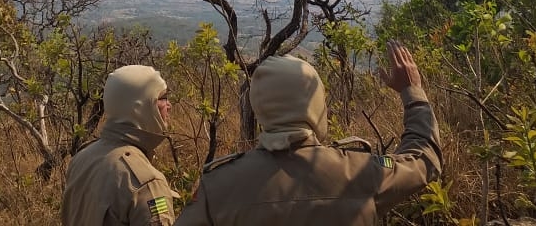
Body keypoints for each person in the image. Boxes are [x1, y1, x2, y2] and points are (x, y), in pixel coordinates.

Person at [175, 41, 442, 225]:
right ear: (316, 106)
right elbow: (424, 160)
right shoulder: (361, 173)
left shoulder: (218, 185)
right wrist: (413, 92)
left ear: (260, 107)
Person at [62, 64, 178, 226]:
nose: (168, 105)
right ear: (140, 108)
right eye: (162, 98)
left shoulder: (82, 158)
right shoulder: (146, 183)